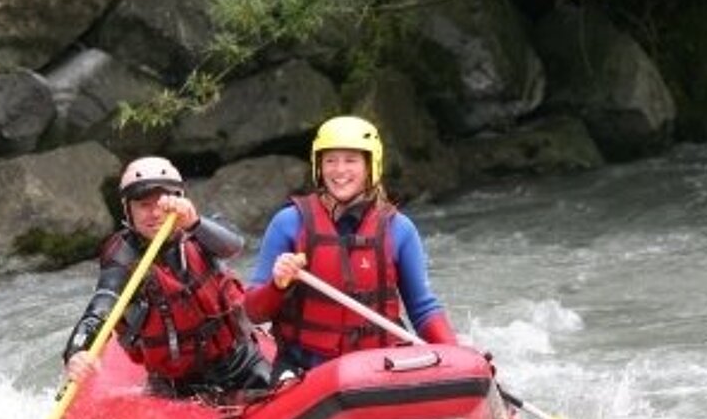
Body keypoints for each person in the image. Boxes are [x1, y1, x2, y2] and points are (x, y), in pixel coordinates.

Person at [244, 115, 461, 377]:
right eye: (330, 160)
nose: (339, 170)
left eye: (351, 160)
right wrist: (277, 285)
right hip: (304, 368)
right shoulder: (288, 223)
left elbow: (423, 309)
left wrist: (458, 359)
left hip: (380, 368)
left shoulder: (400, 229)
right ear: (319, 166)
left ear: (370, 165)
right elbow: (254, 312)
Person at [63, 156, 272, 400]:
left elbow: (234, 246)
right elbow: (100, 308)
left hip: (238, 361)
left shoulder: (201, 231)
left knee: (273, 387)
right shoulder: (122, 257)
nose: (154, 213)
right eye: (143, 205)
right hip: (176, 383)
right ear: (128, 210)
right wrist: (77, 351)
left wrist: (194, 223)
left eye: (162, 204)